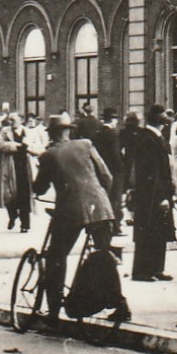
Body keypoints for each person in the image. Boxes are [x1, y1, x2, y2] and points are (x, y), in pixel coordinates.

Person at [30, 114, 124, 321]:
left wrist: (34, 188)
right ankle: (120, 305)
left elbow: (40, 187)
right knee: (104, 254)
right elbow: (107, 177)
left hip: (70, 211)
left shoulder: (49, 155)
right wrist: (99, 199)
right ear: (69, 131)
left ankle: (53, 312)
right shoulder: (86, 144)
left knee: (57, 257)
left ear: (52, 134)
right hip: (100, 207)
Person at [122, 111, 175, 282]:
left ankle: (156, 268)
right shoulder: (149, 140)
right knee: (149, 231)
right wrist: (161, 197)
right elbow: (151, 172)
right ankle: (143, 271)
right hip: (152, 195)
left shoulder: (151, 137)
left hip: (155, 193)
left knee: (158, 230)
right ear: (162, 122)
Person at [0, 119, 34, 231]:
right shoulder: (4, 131)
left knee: (25, 195)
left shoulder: (27, 131)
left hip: (24, 166)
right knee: (8, 195)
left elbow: (34, 144)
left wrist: (28, 145)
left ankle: (25, 225)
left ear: (21, 120)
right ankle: (13, 215)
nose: (12, 122)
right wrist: (14, 145)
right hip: (10, 165)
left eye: (14, 120)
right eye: (10, 120)